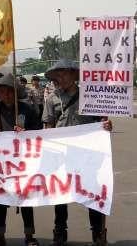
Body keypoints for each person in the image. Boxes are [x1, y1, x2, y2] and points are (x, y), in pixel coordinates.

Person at [41, 59, 112, 246]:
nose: (61, 77)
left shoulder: (90, 96)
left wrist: (106, 125)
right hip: (61, 155)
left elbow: (101, 122)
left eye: (64, 73)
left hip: (87, 155)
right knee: (60, 194)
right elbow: (47, 126)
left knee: (91, 192)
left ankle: (98, 233)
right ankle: (59, 232)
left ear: (74, 75)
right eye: (58, 74)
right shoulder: (52, 99)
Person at [0, 74, 41, 246]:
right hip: (0, 163)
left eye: (10, 92)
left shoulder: (27, 109)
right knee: (1, 200)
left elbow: (38, 129)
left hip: (22, 161)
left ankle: (29, 236)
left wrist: (25, 131)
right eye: (2, 92)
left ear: (16, 93)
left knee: (25, 198)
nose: (6, 95)